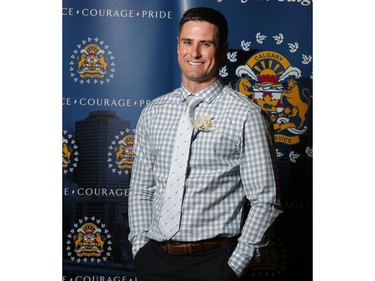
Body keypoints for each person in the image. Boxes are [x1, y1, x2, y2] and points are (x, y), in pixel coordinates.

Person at [128, 7, 282, 281]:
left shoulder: (246, 115)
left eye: (205, 44)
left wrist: (235, 264)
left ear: (222, 50)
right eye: (187, 42)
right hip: (154, 261)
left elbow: (265, 200)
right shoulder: (153, 111)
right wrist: (140, 247)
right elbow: (141, 189)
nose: (194, 53)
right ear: (178, 46)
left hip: (215, 264)